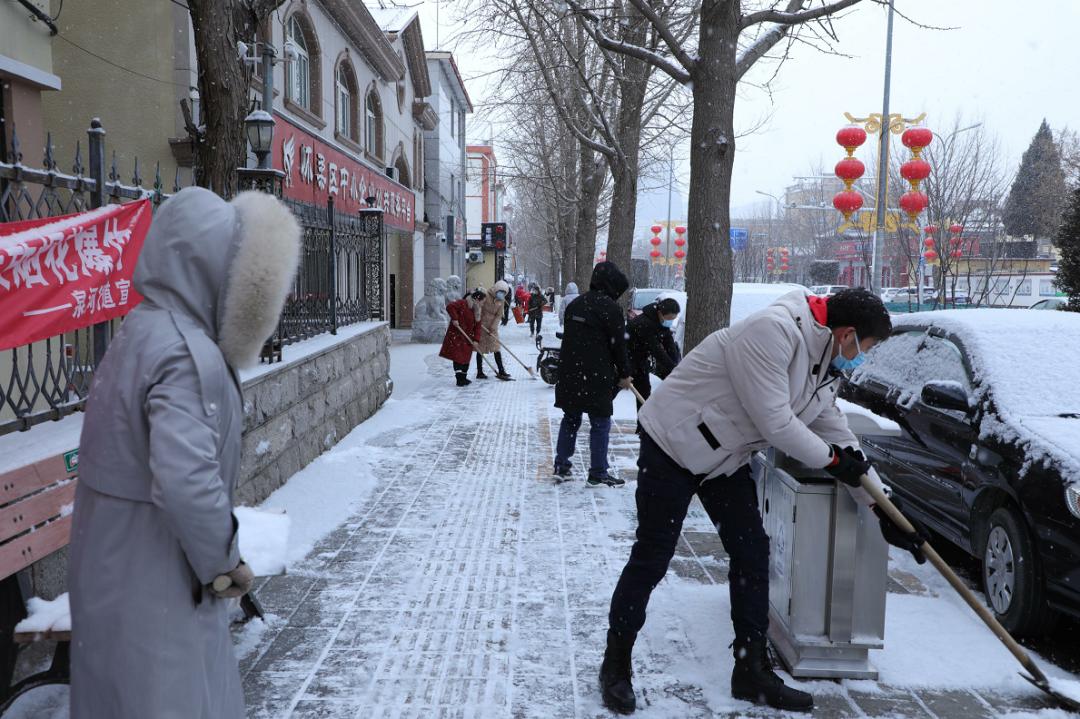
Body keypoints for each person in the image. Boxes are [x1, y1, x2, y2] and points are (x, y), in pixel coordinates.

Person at [599, 287, 930, 715]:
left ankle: (750, 670)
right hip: (672, 445)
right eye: (865, 347)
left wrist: (881, 507)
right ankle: (616, 663)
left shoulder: (823, 364)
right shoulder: (772, 332)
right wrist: (834, 463)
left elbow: (836, 432)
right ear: (847, 334)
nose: (862, 356)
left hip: (724, 457)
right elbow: (777, 423)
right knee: (653, 556)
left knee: (752, 551)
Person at [68, 187, 302, 718]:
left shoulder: (142, 330)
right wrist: (224, 566)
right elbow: (185, 481)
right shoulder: (184, 353)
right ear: (216, 268)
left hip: (114, 566)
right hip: (155, 585)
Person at [553, 262, 633, 487]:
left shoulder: (576, 304)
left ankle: (562, 466)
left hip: (570, 372)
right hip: (597, 375)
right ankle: (598, 472)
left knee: (570, 419)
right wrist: (625, 373)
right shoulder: (611, 308)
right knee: (600, 423)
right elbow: (618, 346)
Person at [626, 297, 682, 417]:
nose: (671, 321)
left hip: (640, 361)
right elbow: (657, 351)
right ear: (660, 313)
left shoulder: (661, 323)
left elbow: (669, 344)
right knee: (613, 390)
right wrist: (673, 368)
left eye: (674, 319)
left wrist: (676, 364)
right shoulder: (643, 323)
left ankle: (642, 427)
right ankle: (598, 415)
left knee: (644, 391)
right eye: (670, 318)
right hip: (625, 360)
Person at [440, 287, 485, 386]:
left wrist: (476, 340)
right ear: (477, 299)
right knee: (458, 357)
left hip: (468, 337)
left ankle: (464, 377)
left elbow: (478, 327)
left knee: (466, 358)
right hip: (457, 335)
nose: (483, 304)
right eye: (482, 301)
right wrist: (455, 318)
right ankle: (459, 379)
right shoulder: (463, 303)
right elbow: (450, 307)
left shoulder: (478, 311)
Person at [475, 280, 513, 380]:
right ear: (496, 289)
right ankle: (479, 372)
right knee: (480, 349)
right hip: (481, 326)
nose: (502, 294)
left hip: (492, 327)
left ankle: (501, 370)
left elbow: (499, 315)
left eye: (504, 293)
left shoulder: (501, 301)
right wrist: (478, 320)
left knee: (496, 348)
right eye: (501, 292)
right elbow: (478, 308)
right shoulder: (486, 295)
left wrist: (493, 327)